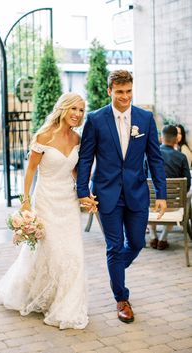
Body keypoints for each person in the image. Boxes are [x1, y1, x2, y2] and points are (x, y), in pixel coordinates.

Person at [77, 70, 167, 324]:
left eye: (128, 92)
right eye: (119, 92)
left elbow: (155, 159)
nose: (125, 97)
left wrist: (161, 193)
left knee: (137, 243)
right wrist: (83, 192)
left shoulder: (145, 118)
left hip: (137, 193)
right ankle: (121, 298)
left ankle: (115, 270)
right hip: (107, 194)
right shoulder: (95, 119)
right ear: (110, 91)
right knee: (114, 247)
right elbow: (86, 158)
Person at [0, 93, 90, 330]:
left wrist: (85, 195)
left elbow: (76, 173)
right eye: (74, 109)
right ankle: (40, 294)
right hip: (46, 200)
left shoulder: (78, 139)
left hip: (68, 202)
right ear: (63, 109)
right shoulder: (44, 136)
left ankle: (67, 305)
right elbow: (30, 171)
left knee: (73, 254)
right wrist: (25, 202)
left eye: (81, 110)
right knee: (51, 252)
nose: (78, 114)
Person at [149, 125, 191, 250]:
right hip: (173, 206)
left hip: (151, 206)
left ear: (161, 138)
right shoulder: (181, 157)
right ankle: (163, 238)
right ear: (177, 140)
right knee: (176, 199)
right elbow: (187, 184)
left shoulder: (149, 155)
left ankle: (152, 236)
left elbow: (141, 179)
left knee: (150, 198)